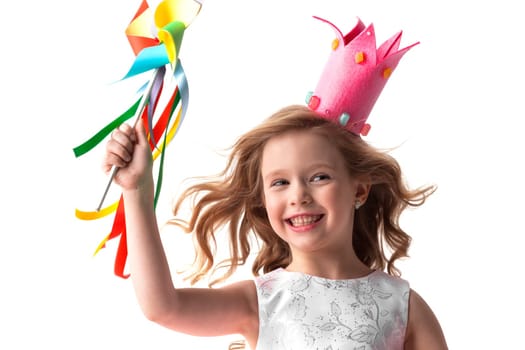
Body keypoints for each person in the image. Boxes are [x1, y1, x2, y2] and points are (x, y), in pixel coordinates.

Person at [101, 16, 448, 350]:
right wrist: (136, 192)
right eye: (280, 182)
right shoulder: (259, 301)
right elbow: (162, 308)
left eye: (319, 177)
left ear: (359, 189)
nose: (299, 195)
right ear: (264, 200)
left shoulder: (402, 307)